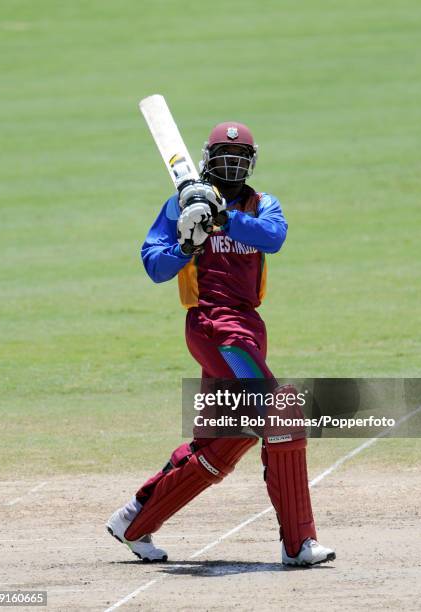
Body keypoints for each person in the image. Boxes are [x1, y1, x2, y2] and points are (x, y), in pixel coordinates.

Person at [106, 122, 335, 566]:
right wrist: (186, 245)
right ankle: (298, 543)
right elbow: (154, 265)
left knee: (224, 441)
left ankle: (134, 520)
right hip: (213, 328)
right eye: (223, 158)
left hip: (248, 326)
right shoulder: (179, 206)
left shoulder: (263, 204)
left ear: (251, 162)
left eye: (240, 159)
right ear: (207, 159)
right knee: (280, 410)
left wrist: (222, 217)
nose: (231, 168)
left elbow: (275, 237)